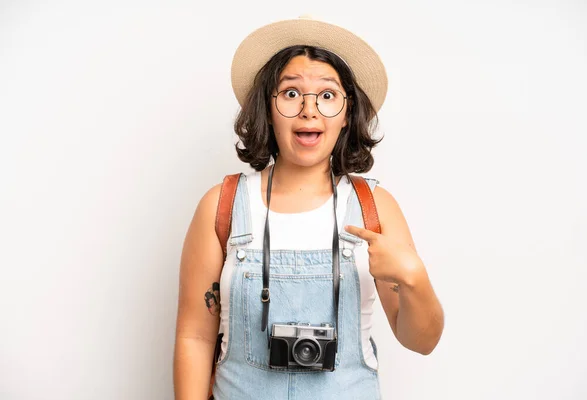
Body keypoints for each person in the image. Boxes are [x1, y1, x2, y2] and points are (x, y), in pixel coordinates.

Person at [173, 16, 444, 400]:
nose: (309, 110)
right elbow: (194, 336)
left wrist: (415, 279)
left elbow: (422, 342)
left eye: (328, 95)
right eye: (290, 93)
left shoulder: (374, 208)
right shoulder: (222, 205)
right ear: (266, 108)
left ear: (348, 113)